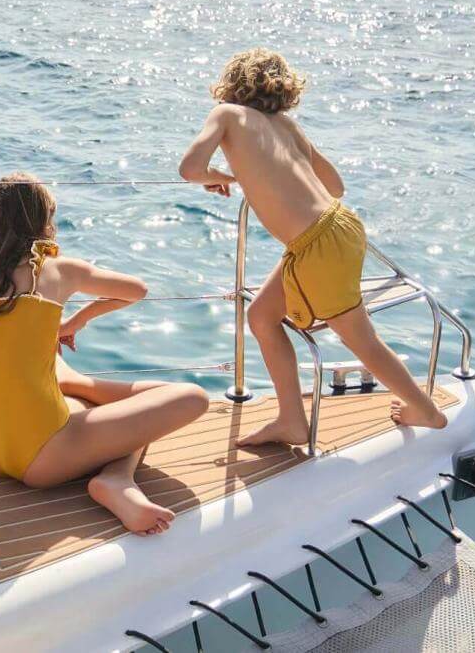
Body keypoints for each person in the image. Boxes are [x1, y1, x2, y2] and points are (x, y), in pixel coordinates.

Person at [177, 48, 448, 447]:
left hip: (316, 244)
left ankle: (424, 409)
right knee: (262, 317)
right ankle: (291, 420)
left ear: (230, 85)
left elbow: (189, 169)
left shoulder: (226, 115)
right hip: (339, 226)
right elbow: (335, 187)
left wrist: (227, 177)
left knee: (361, 339)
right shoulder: (288, 127)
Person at [0, 173, 209, 535]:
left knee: (65, 383)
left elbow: (8, 331)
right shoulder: (60, 269)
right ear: (45, 220)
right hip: (43, 458)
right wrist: (77, 320)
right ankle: (116, 479)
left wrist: (49, 327)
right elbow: (137, 290)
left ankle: (81, 391)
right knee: (191, 398)